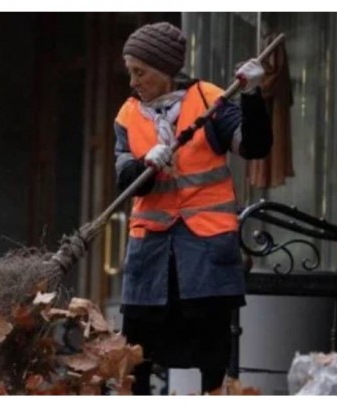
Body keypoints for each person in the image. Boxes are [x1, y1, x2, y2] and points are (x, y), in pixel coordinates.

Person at [114, 22, 272, 395]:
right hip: (150, 258)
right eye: (130, 72)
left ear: (166, 70)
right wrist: (144, 166)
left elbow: (253, 146)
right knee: (137, 354)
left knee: (211, 354)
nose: (134, 82)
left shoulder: (209, 100)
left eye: (141, 72)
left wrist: (252, 96)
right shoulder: (128, 115)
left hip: (205, 253)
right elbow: (125, 180)